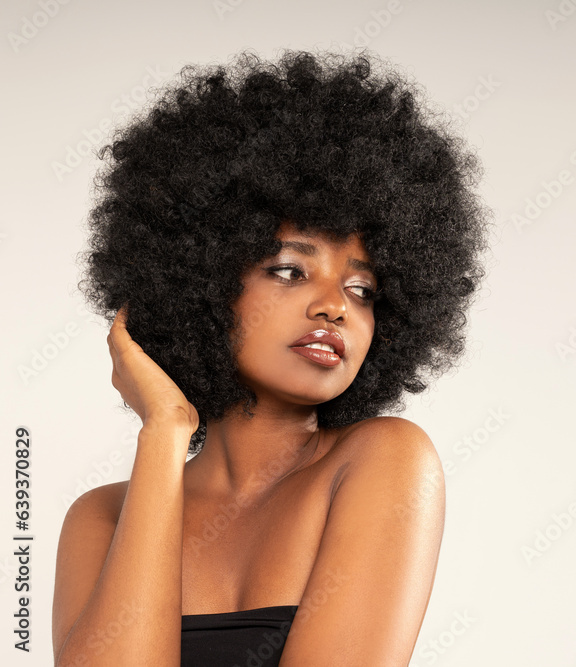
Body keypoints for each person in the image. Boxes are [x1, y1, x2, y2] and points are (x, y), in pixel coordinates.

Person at [52, 48, 490, 666]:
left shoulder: (384, 461)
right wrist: (164, 431)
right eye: (289, 270)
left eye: (362, 290)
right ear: (198, 279)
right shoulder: (102, 517)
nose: (335, 306)